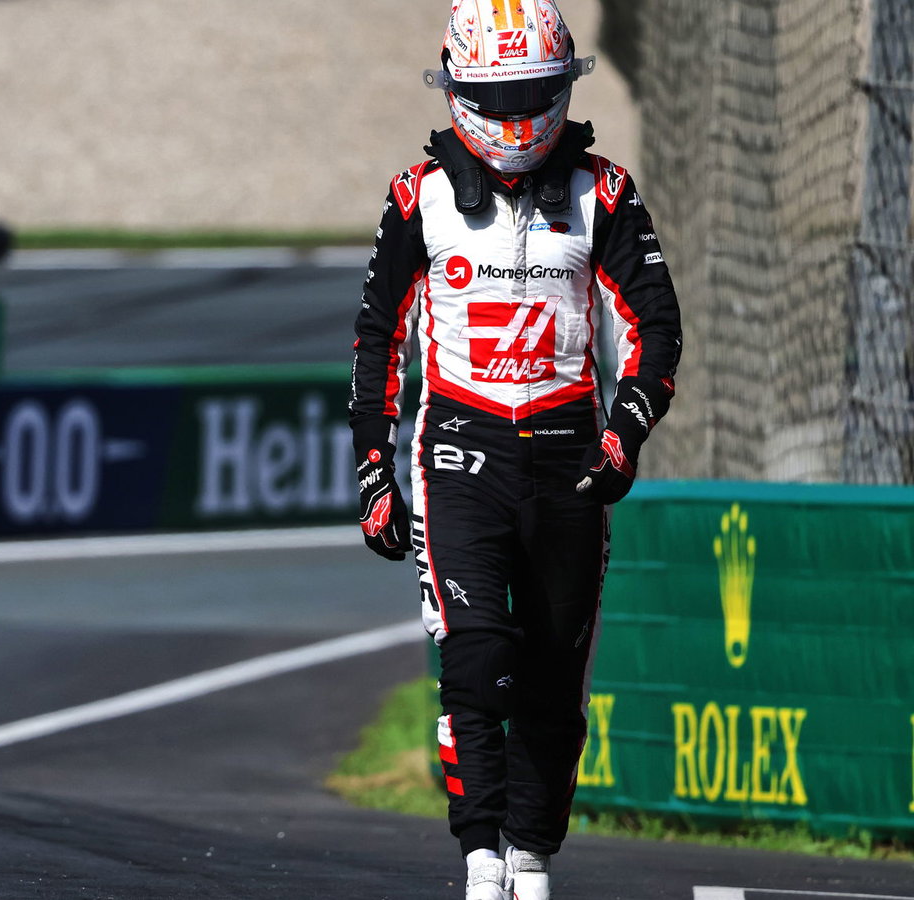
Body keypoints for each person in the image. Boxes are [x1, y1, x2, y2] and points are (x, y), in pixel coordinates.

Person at [348, 2, 682, 898]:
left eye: (534, 92)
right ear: (457, 91)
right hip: (460, 443)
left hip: (571, 449)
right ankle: (479, 861)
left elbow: (657, 324)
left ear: (565, 86)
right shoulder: (415, 196)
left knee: (551, 682)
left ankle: (531, 863)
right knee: (474, 655)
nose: (516, 114)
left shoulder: (604, 193)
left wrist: (626, 431)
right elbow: (378, 341)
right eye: (497, 96)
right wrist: (375, 469)